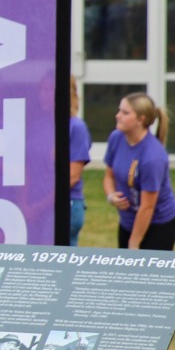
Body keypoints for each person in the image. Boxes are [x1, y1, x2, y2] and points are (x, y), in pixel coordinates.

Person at [104, 90, 175, 250]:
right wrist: (111, 196)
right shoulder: (116, 138)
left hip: (158, 224)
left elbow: (147, 207)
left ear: (140, 119)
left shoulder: (152, 157)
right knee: (125, 273)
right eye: (119, 110)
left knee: (149, 274)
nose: (118, 115)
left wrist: (134, 242)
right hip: (128, 221)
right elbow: (109, 175)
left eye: (125, 112)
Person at [68, 77, 92, 246]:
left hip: (67, 202)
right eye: (43, 89)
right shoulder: (39, 124)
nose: (45, 95)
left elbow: (73, 176)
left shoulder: (76, 127)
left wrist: (40, 204)